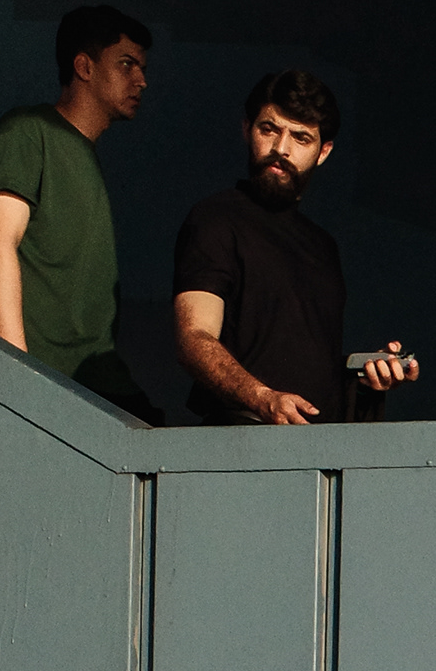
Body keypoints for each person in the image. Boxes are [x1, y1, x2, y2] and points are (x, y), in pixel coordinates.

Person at [170, 69, 419, 425]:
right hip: (238, 438)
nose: (281, 149)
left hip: (315, 448)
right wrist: (263, 399)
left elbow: (311, 375)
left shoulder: (323, 247)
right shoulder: (217, 219)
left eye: (301, 138)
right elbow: (194, 339)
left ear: (323, 151)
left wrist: (367, 379)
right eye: (269, 129)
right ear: (247, 129)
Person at [0, 3, 160, 419]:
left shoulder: (85, 156)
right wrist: (16, 373)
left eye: (142, 68)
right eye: (127, 64)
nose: (141, 81)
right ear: (84, 67)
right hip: (45, 379)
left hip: (97, 382)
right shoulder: (28, 130)